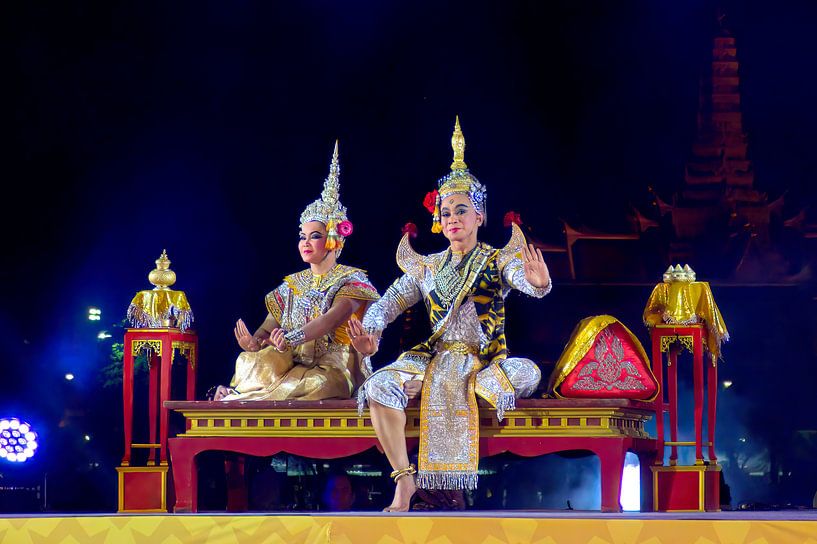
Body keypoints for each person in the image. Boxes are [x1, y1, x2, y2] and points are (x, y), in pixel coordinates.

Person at [348, 118, 552, 511]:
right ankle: (404, 481)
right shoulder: (425, 268)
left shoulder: (496, 261)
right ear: (438, 221)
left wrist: (538, 283)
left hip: (480, 363)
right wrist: (369, 335)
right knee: (377, 387)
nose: (453, 218)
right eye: (446, 212)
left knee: (528, 372)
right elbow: (387, 303)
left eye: (462, 210)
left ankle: (444, 462)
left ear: (480, 216)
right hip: (433, 359)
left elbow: (524, 281)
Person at [214, 142, 379, 401]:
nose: (305, 242)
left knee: (318, 383)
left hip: (331, 368)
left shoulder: (352, 281)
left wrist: (289, 339)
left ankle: (244, 396)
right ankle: (245, 394)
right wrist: (254, 343)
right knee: (249, 361)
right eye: (302, 236)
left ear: (334, 239)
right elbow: (268, 329)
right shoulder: (291, 285)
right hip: (290, 363)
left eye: (314, 236)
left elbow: (329, 321)